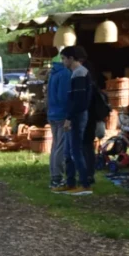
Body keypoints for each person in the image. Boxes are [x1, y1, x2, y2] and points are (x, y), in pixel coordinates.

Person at [56, 45, 93, 195]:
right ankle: (70, 183)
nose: (63, 62)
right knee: (67, 152)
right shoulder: (76, 73)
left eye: (64, 58)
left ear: (71, 59)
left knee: (75, 151)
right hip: (73, 115)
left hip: (77, 116)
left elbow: (78, 101)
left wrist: (69, 118)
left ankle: (84, 184)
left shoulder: (80, 74)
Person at [45, 56, 71, 190]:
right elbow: (64, 96)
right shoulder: (65, 74)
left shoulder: (53, 73)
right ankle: (57, 178)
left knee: (55, 146)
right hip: (61, 114)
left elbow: (48, 96)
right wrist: (69, 114)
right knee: (60, 147)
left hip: (52, 113)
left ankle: (54, 176)